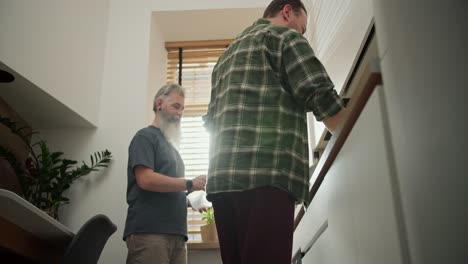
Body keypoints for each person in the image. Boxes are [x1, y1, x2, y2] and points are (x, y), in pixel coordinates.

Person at [203, 0, 347, 263]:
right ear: (287, 11)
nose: (300, 33)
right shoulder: (284, 37)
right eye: (302, 28)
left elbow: (211, 122)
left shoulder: (225, 57)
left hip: (222, 183)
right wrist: (352, 134)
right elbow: (319, 93)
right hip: (266, 177)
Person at [124, 83, 207, 264]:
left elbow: (167, 189)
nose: (180, 113)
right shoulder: (145, 137)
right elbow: (145, 180)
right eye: (175, 106)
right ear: (159, 104)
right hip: (150, 232)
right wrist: (189, 184)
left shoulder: (171, 147)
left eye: (183, 109)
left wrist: (188, 200)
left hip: (177, 234)